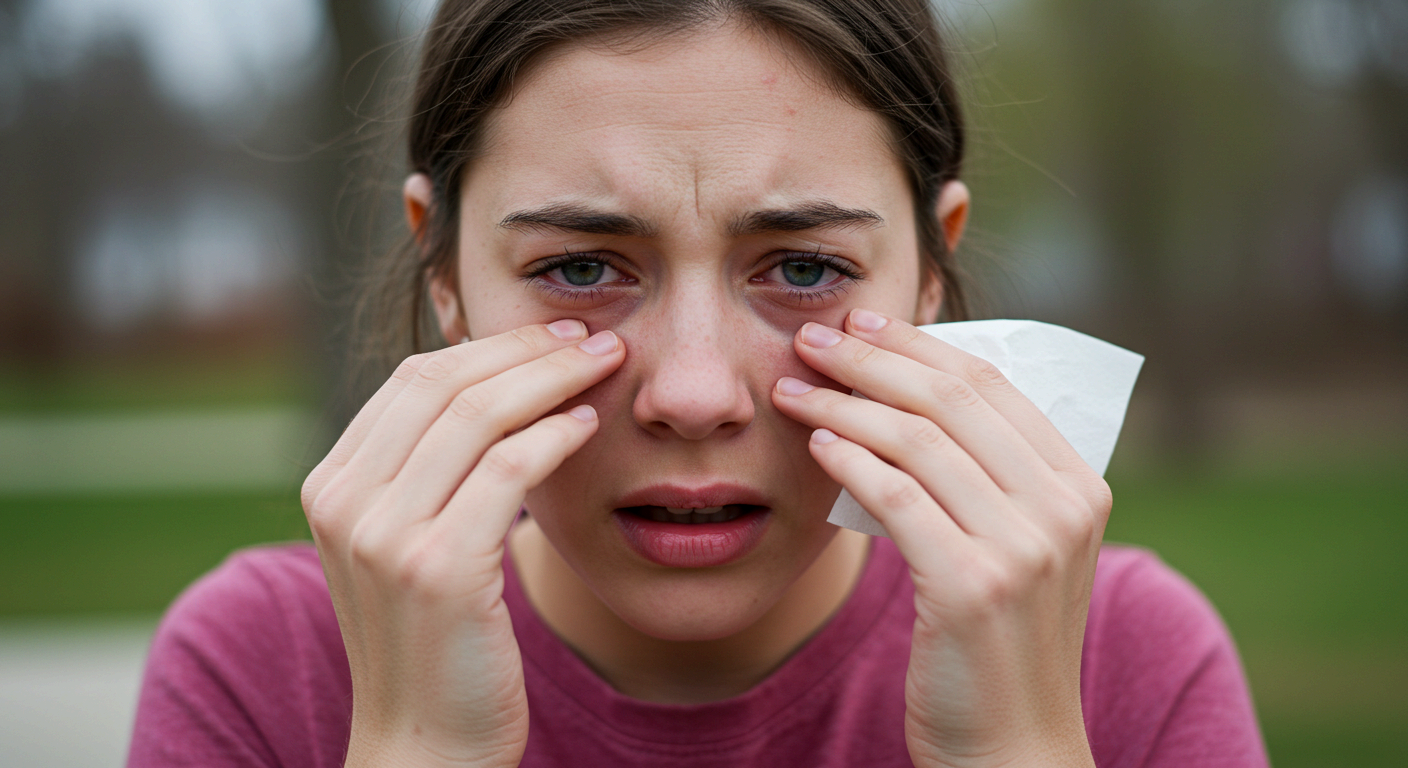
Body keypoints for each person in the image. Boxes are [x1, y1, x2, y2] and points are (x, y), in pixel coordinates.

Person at [127, 1, 1269, 766]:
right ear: (446, 275)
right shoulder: (261, 672)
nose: (691, 394)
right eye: (579, 267)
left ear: (930, 273)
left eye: (805, 269)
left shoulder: (1126, 664)